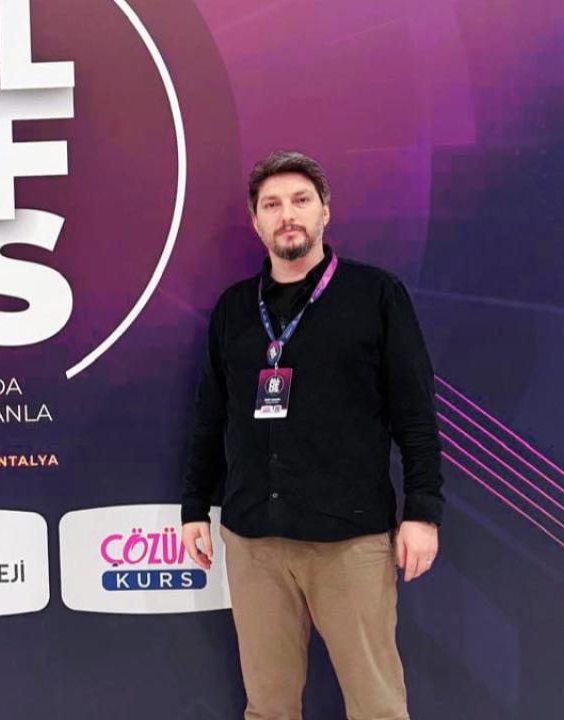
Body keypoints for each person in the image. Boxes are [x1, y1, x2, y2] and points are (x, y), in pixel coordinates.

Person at [180, 150, 444, 720]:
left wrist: (423, 512)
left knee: (377, 706)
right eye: (271, 205)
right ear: (256, 222)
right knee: (268, 708)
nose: (287, 215)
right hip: (254, 540)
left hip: (349, 540)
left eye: (301, 200)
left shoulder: (376, 295)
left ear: (325, 211)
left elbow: (416, 414)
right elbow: (211, 415)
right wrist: (194, 505)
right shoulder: (234, 309)